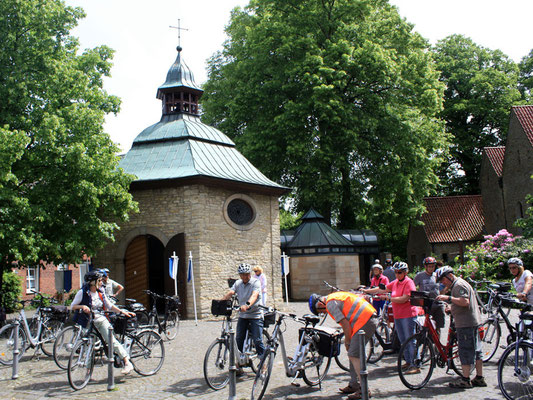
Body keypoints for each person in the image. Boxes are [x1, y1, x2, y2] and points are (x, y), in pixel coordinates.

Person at [308, 291, 377, 400]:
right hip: (367, 318)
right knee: (353, 354)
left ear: (321, 304)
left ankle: (364, 390)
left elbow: (345, 324)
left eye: (320, 312)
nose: (323, 313)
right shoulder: (334, 296)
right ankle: (354, 384)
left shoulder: (330, 304)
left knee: (354, 355)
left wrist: (347, 341)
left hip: (364, 321)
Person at [71, 270, 135, 375]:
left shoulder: (101, 292)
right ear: (93, 282)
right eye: (99, 280)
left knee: (111, 341)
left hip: (101, 320)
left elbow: (109, 305)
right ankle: (88, 371)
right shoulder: (82, 292)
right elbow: (72, 306)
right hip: (89, 322)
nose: (102, 282)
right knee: (89, 346)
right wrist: (82, 306)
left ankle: (127, 362)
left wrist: (122, 311)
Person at [362, 261, 419, 374]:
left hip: (408, 315)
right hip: (398, 315)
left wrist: (388, 299)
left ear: (405, 272)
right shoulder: (396, 282)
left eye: (400, 272)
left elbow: (404, 298)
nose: (397, 274)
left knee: (410, 339)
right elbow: (381, 289)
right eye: (396, 272)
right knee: (403, 340)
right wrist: (366, 290)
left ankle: (415, 365)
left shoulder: (409, 283)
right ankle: (408, 361)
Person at [435, 266, 486, 388]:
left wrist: (448, 298)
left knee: (465, 351)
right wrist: (452, 307)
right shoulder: (458, 284)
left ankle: (465, 379)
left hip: (466, 323)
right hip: (472, 321)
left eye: (443, 279)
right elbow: (461, 303)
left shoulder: (459, 285)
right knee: (477, 351)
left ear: (450, 276)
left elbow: (464, 302)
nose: (443, 282)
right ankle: (479, 378)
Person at [221, 263, 265, 373]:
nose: (245, 277)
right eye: (242, 275)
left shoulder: (256, 282)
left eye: (247, 274)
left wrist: (247, 304)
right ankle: (239, 363)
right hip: (243, 315)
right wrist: (220, 302)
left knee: (258, 339)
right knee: (238, 339)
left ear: (250, 274)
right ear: (240, 275)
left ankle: (263, 362)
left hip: (255, 315)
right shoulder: (238, 283)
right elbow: (231, 292)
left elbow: (254, 295)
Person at [414, 257, 446, 335]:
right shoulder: (420, 276)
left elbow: (441, 288)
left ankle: (436, 345)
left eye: (433, 266)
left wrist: (443, 294)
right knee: (426, 326)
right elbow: (412, 287)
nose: (431, 268)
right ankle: (427, 344)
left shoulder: (437, 275)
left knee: (438, 326)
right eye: (429, 266)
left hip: (437, 304)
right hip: (426, 305)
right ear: (425, 266)